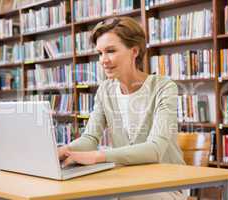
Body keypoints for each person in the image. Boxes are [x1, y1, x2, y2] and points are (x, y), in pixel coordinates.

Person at [58, 16, 186, 199]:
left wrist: (98, 156)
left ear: (134, 51)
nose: (103, 60)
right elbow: (90, 137)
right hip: (126, 179)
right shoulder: (105, 90)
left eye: (110, 51)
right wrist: (65, 150)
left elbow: (155, 149)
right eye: (100, 53)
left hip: (166, 184)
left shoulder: (163, 87)